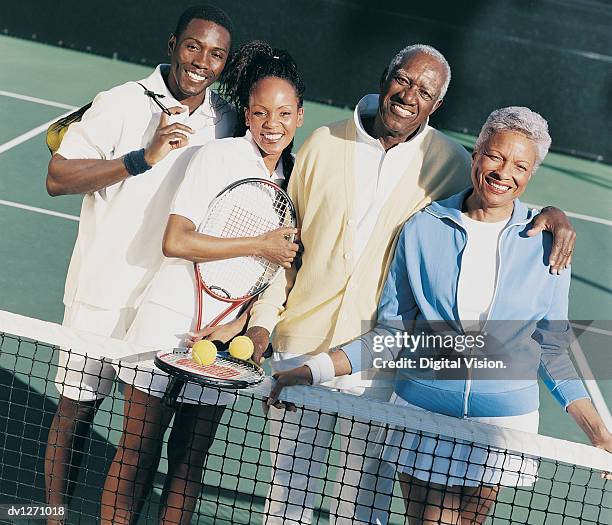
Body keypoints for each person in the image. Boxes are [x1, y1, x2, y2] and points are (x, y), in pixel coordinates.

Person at [242, 45, 577, 525]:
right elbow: (284, 251)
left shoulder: (449, 160)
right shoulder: (321, 144)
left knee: (359, 509)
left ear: (436, 104)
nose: (409, 95)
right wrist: (262, 326)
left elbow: (497, 194)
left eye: (426, 91)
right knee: (285, 503)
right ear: (385, 77)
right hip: (301, 348)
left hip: (381, 366)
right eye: (404, 80)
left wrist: (554, 216)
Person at [43, 5, 236, 522]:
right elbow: (58, 177)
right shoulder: (119, 103)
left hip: (166, 309)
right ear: (172, 44)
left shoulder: (226, 122)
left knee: (139, 436)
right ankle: (54, 517)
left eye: (216, 54)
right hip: (100, 292)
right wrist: (140, 158)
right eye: (194, 46)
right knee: (75, 413)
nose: (202, 61)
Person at [100, 41, 304, 525]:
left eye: (282, 113)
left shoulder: (294, 177)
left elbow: (271, 273)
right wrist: (259, 243)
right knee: (135, 454)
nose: (270, 125)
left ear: (299, 116)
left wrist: (239, 328)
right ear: (248, 117)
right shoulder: (218, 157)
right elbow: (177, 240)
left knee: (189, 466)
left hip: (223, 335)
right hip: (167, 316)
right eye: (259, 113)